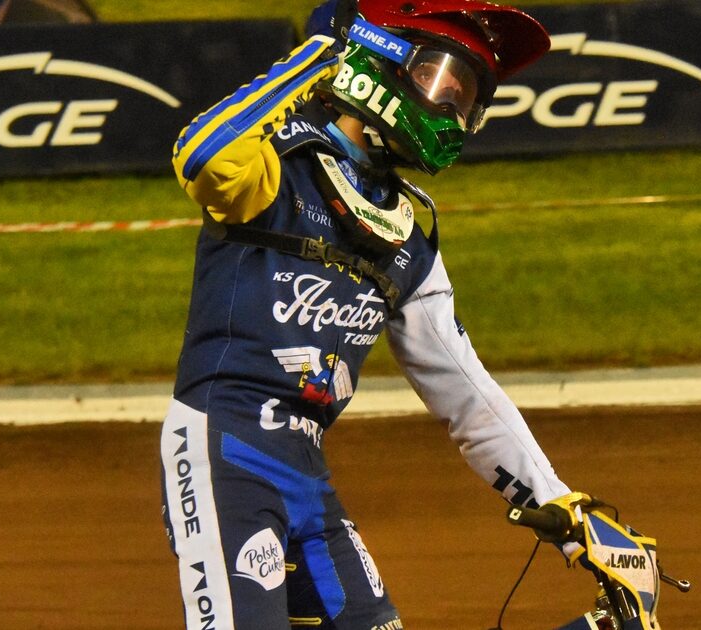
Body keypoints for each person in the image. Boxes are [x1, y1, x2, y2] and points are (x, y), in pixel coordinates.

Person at [158, 1, 596, 628]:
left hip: (306, 473)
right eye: (439, 77)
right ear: (378, 59)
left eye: (466, 96)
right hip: (222, 449)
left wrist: (571, 517)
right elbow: (202, 158)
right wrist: (321, 57)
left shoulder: (407, 237)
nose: (451, 107)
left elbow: (468, 396)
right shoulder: (275, 169)